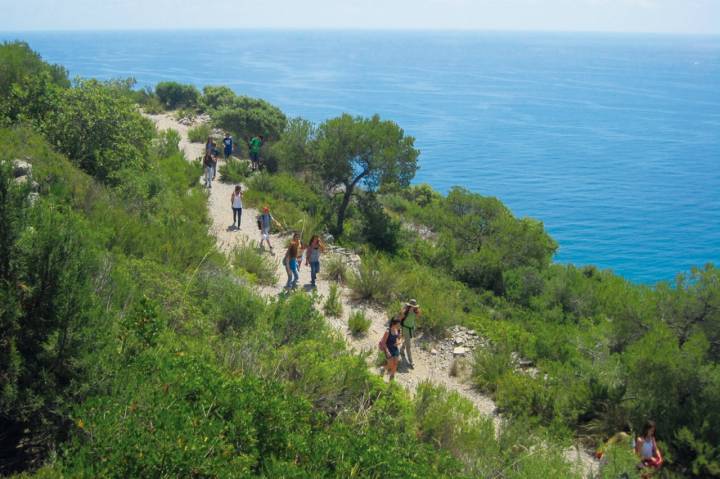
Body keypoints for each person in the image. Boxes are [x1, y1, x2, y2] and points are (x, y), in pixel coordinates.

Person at [399, 299, 420, 369]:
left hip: (411, 329)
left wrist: (417, 310)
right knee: (408, 346)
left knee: (407, 341)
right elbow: (400, 317)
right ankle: (411, 361)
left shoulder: (415, 312)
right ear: (409, 305)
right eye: (411, 306)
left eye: (414, 306)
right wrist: (404, 308)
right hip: (405, 329)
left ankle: (401, 350)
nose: (412, 307)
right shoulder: (405, 312)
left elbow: (418, 315)